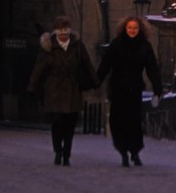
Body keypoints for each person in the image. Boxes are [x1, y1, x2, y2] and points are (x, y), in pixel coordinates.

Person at [28, 14, 96, 166]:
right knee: (58, 122)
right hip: (54, 91)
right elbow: (38, 69)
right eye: (61, 33)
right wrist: (32, 86)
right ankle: (58, 151)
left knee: (70, 124)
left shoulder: (77, 46)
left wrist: (95, 80)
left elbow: (87, 64)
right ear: (56, 32)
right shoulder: (48, 47)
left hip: (72, 89)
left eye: (66, 32)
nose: (64, 36)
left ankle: (67, 153)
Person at [97, 16, 163, 168]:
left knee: (134, 122)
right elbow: (105, 65)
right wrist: (96, 81)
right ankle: (123, 152)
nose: (132, 30)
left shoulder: (145, 46)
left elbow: (152, 68)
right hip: (118, 89)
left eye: (135, 28)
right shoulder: (116, 44)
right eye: (130, 28)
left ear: (140, 29)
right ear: (124, 29)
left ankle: (134, 151)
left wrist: (157, 89)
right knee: (118, 122)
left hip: (134, 89)